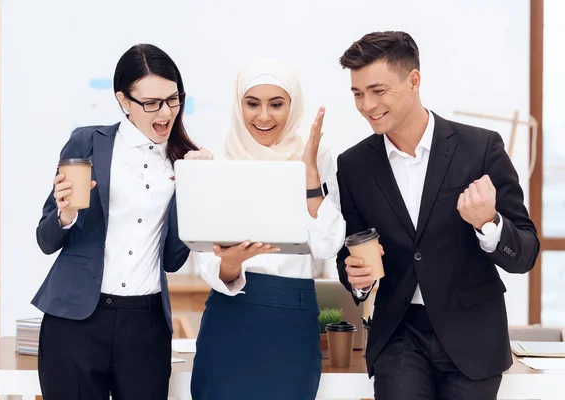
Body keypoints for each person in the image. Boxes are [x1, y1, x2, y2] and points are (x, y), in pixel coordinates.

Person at [335, 31, 540, 400]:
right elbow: (349, 250)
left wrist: (488, 224)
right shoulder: (353, 165)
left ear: (414, 80)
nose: (367, 105)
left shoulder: (481, 148)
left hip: (472, 334)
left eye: (378, 91)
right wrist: (358, 278)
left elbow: (525, 252)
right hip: (399, 333)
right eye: (357, 94)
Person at [32, 43, 197, 400]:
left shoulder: (186, 161)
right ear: (124, 101)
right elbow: (46, 240)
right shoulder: (87, 142)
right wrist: (66, 215)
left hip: (146, 324)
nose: (165, 112)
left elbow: (172, 259)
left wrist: (196, 190)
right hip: (75, 321)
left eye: (173, 99)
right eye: (151, 103)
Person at [187, 58, 346, 400]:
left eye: (276, 104)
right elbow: (204, 255)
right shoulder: (218, 161)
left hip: (292, 318)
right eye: (252, 104)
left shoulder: (317, 157)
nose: (263, 116)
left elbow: (328, 245)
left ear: (293, 105)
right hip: (230, 317)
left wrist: (309, 175)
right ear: (238, 105)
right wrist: (231, 264)